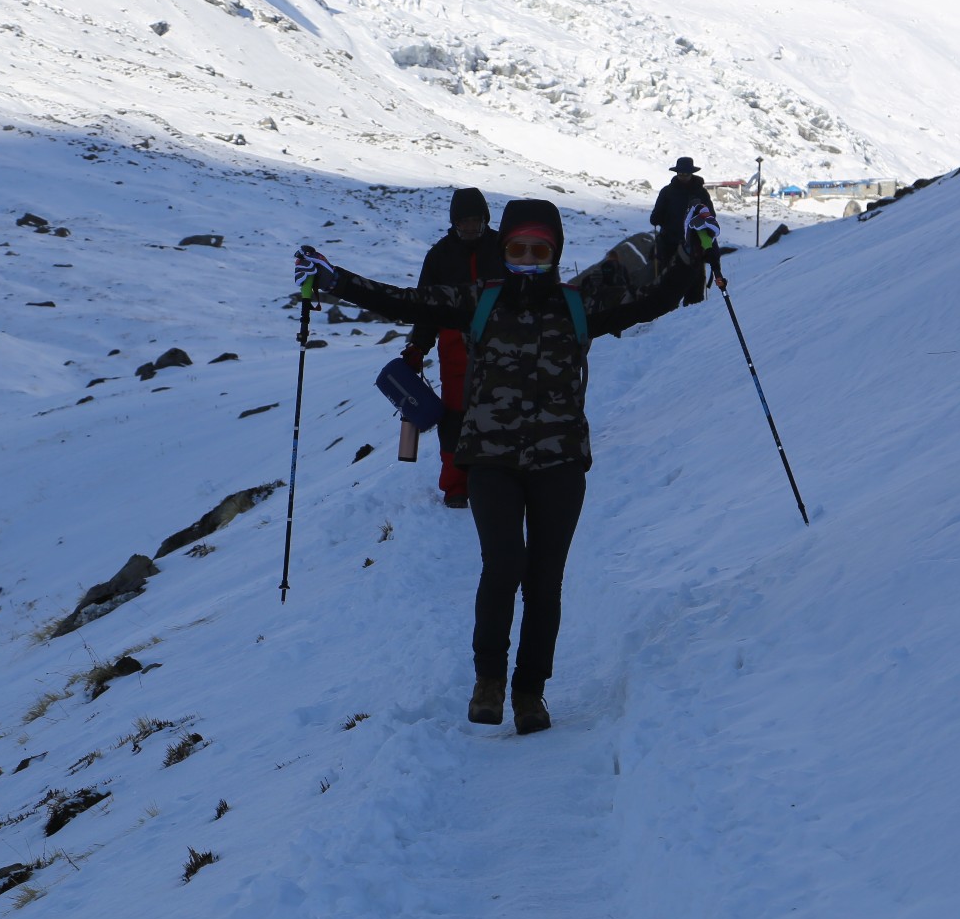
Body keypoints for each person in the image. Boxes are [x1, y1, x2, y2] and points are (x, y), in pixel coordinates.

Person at [295, 198, 715, 735]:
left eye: (539, 250)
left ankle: (531, 693)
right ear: (503, 250)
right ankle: (488, 683)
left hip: (560, 463)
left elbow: (655, 298)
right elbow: (408, 301)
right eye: (517, 249)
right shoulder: (480, 300)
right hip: (490, 460)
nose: (527, 260)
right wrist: (336, 281)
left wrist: (694, 249)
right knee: (503, 567)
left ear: (555, 253)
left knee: (544, 582)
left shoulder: (579, 304)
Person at [401, 187, 500, 509]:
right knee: (456, 417)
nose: (471, 227)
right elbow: (426, 306)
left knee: (500, 412)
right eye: (464, 221)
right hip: (454, 349)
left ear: (485, 219)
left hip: (502, 345)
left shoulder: (504, 247)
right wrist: (419, 345)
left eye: (476, 220)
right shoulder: (440, 255)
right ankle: (456, 486)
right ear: (454, 222)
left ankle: (501, 479)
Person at [650, 157, 721, 304]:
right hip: (678, 243)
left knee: (683, 280)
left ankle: (686, 310)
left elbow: (710, 216)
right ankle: (679, 310)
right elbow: (655, 217)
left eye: (685, 174)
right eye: (680, 174)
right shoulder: (670, 192)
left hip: (686, 244)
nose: (682, 177)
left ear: (691, 173)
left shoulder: (697, 193)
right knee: (679, 281)